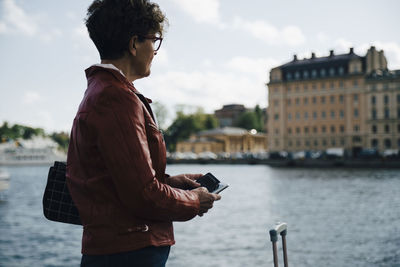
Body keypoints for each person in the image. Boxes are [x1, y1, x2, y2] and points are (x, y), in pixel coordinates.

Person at [66, 0, 221, 266]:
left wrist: (173, 182)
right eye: (154, 40)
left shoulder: (101, 93)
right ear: (134, 43)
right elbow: (143, 194)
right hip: (128, 252)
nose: (156, 51)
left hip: (116, 249)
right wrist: (194, 201)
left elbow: (120, 182)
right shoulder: (116, 99)